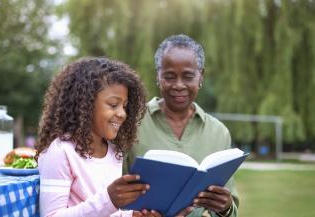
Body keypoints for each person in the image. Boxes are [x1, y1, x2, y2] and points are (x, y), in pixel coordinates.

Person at [124, 34, 239, 217]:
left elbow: (231, 211)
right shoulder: (130, 123)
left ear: (201, 76)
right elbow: (111, 194)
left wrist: (225, 207)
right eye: (169, 76)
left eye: (188, 76)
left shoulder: (219, 132)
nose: (178, 85)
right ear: (158, 76)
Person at [36, 57, 162, 217]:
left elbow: (108, 212)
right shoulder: (61, 152)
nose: (122, 114)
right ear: (84, 103)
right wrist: (109, 200)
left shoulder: (113, 151)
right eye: (113, 105)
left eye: (124, 106)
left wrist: (131, 215)